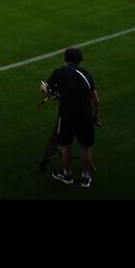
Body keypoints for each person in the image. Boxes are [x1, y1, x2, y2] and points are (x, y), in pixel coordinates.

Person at [43, 47, 99, 188]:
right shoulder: (86, 74)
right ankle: (85, 179)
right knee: (85, 147)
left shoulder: (59, 72)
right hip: (85, 115)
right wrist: (95, 117)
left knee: (66, 146)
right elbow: (96, 101)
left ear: (65, 59)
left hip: (67, 115)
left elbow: (46, 90)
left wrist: (44, 87)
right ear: (80, 60)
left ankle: (67, 175)